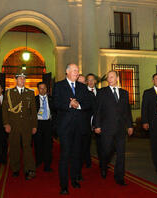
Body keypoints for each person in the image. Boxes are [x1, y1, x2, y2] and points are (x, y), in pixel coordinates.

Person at [53, 63, 90, 195]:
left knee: (76, 156)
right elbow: (56, 103)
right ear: (67, 72)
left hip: (79, 127)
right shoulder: (59, 86)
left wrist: (78, 105)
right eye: (74, 70)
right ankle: (63, 185)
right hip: (65, 127)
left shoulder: (82, 87)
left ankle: (74, 180)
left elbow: (88, 103)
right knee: (65, 156)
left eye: (78, 71)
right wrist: (69, 103)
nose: (77, 73)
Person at [94, 71, 133, 186]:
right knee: (106, 151)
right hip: (107, 128)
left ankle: (119, 177)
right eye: (108, 77)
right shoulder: (102, 92)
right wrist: (97, 125)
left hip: (121, 129)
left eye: (112, 77)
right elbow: (98, 110)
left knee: (121, 154)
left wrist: (130, 125)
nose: (109, 79)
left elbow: (127, 111)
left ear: (117, 78)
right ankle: (103, 165)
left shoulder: (124, 93)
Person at [2, 72, 37, 180]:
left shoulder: (30, 93)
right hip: (14, 125)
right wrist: (6, 123)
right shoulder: (9, 92)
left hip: (27, 125)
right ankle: (15, 169)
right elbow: (4, 110)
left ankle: (29, 169)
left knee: (27, 147)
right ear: (15, 80)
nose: (22, 80)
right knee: (14, 147)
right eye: (20, 78)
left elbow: (33, 111)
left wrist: (34, 125)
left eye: (24, 78)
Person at [34, 82, 54, 172]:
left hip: (48, 124)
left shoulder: (51, 99)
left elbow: (55, 111)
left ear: (47, 89)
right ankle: (38, 161)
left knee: (48, 145)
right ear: (38, 89)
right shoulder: (34, 99)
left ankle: (47, 165)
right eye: (41, 88)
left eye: (44, 88)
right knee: (38, 144)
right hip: (38, 124)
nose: (43, 90)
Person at [85, 73, 100, 168]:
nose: (90, 82)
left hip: (99, 122)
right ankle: (87, 162)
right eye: (88, 80)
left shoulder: (100, 92)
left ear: (95, 81)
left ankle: (103, 162)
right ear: (86, 82)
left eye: (92, 80)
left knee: (101, 144)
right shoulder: (83, 92)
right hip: (86, 122)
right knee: (87, 143)